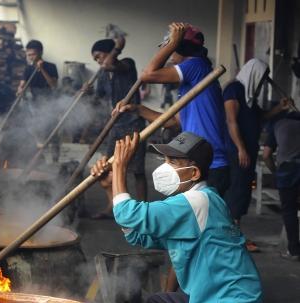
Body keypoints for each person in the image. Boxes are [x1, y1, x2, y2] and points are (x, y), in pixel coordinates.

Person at [91, 131, 264, 303]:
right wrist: (110, 187)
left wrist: (121, 168)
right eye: (165, 161)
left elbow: (127, 214)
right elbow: (139, 236)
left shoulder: (196, 201)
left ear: (194, 173)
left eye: (172, 162)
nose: (164, 167)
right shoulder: (195, 201)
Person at [116, 22, 230, 197]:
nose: (169, 54)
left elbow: (148, 75)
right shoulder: (191, 80)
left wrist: (172, 42)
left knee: (202, 220)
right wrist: (139, 109)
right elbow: (175, 123)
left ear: (181, 47)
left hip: (210, 163)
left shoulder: (197, 65)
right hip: (197, 160)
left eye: (172, 48)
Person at [223, 58, 292, 253]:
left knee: (243, 192)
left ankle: (236, 233)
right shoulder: (234, 89)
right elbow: (231, 121)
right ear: (253, 74)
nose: (263, 83)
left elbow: (259, 117)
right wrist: (241, 149)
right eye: (261, 78)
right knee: (236, 192)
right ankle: (234, 237)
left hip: (248, 150)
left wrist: (280, 108)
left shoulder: (249, 98)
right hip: (237, 151)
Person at [85, 37, 147, 219]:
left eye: (98, 56)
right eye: (95, 59)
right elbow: (97, 98)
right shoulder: (104, 75)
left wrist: (117, 47)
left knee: (137, 169)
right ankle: (113, 206)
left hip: (134, 121)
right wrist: (88, 92)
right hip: (116, 123)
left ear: (109, 51)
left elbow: (108, 64)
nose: (98, 61)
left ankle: (143, 208)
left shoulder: (127, 64)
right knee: (110, 166)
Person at [263, 112, 300, 261]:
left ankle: (295, 251)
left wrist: (276, 173)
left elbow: (266, 156)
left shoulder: (278, 125)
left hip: (288, 171)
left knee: (289, 211)